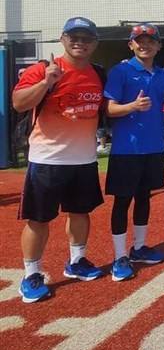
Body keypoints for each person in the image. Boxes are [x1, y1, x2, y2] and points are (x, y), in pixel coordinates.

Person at [13, 17, 106, 303]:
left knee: (80, 213)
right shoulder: (42, 69)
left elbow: (104, 107)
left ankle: (76, 261)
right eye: (74, 37)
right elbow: (18, 103)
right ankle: (31, 274)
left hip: (84, 159)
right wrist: (46, 82)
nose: (80, 42)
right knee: (38, 219)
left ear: (94, 43)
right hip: (46, 159)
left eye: (86, 38)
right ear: (63, 39)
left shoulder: (99, 73)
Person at [103, 23, 164, 281]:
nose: (145, 45)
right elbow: (109, 109)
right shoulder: (121, 71)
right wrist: (132, 106)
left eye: (150, 41)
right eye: (139, 40)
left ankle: (139, 247)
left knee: (144, 198)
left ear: (158, 46)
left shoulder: (162, 74)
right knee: (122, 202)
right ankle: (120, 256)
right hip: (126, 149)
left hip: (154, 148)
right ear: (131, 44)